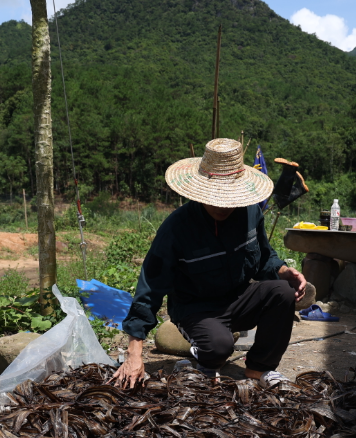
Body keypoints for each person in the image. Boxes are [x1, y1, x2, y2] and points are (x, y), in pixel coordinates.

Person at [111, 138, 306, 389]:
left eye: (229, 198)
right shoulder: (177, 228)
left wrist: (283, 271)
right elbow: (150, 287)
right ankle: (202, 352)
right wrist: (134, 352)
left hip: (237, 298)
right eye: (216, 197)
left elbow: (264, 257)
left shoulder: (250, 213)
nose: (222, 206)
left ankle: (260, 368)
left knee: (282, 291)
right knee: (218, 348)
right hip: (195, 308)